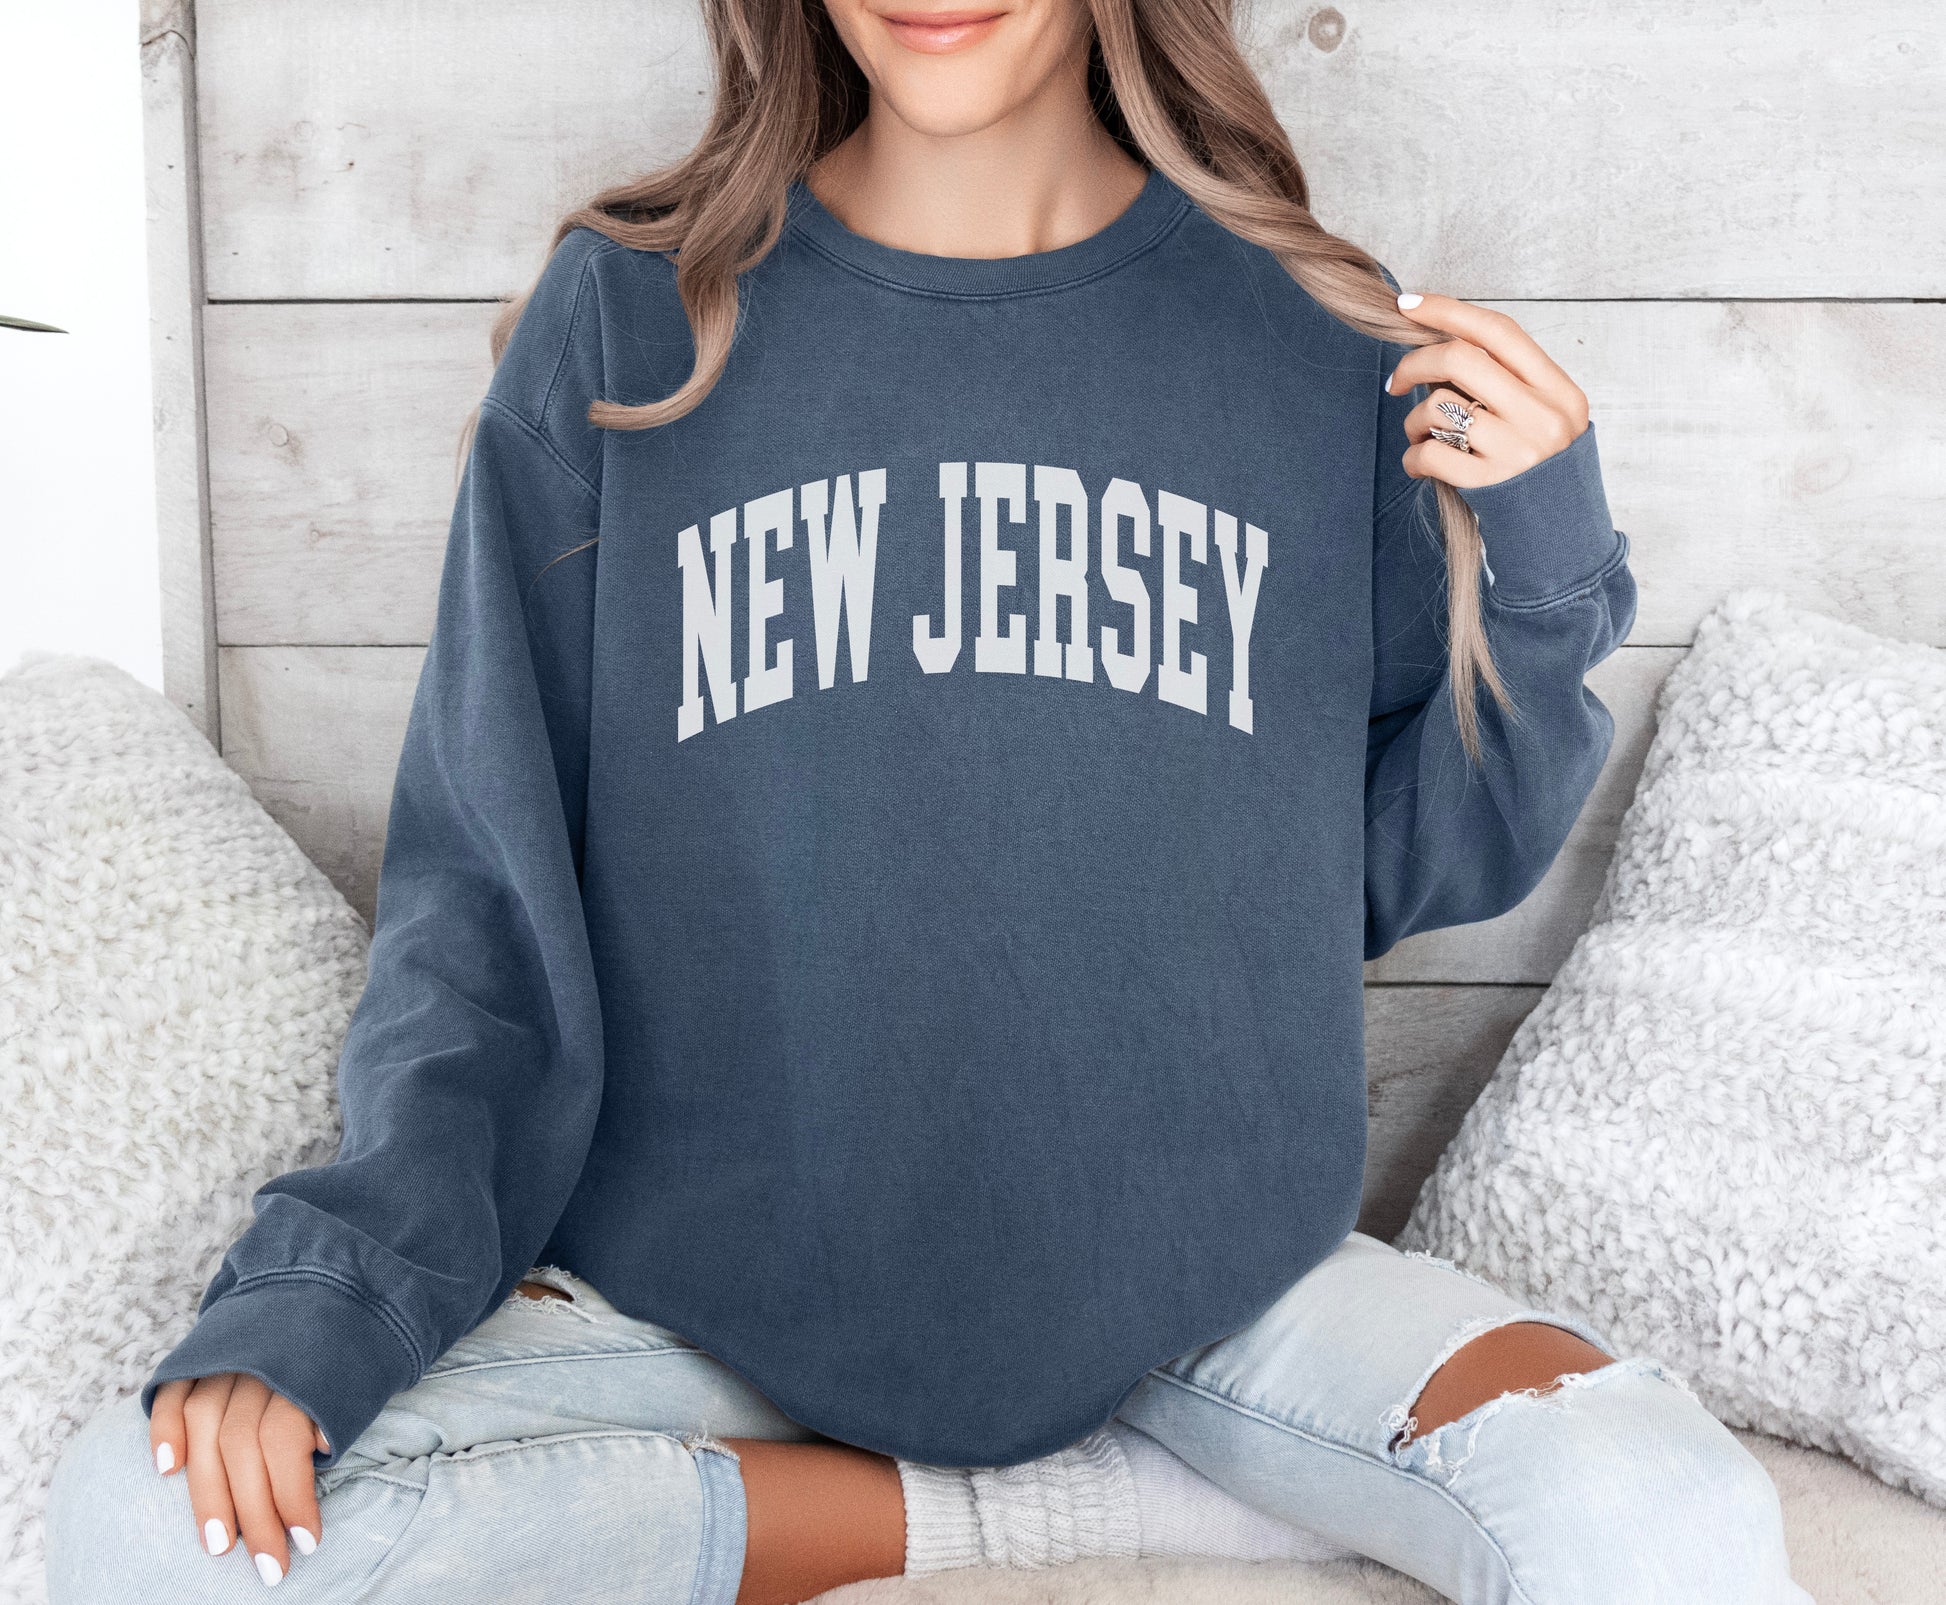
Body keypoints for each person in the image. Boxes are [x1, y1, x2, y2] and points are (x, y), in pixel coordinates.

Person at [46, 0, 1811, 1599]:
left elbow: (1387, 865)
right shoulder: (629, 313)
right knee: (148, 1529)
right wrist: (326, 1291)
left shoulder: (1308, 334)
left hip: (1210, 1293)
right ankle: (1006, 1507)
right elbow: (483, 910)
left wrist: (1542, 569)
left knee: (1662, 1517)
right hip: (700, 1292)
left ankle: (1078, 1461)